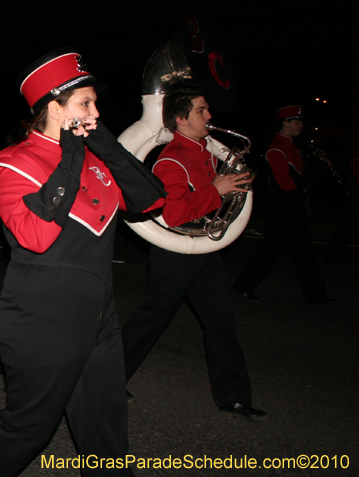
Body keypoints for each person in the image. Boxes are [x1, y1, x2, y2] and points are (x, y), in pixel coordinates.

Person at [0, 49, 166, 477]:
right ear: (55, 109)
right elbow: (35, 235)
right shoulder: (11, 164)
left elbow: (152, 200)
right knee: (29, 429)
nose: (96, 111)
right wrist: (71, 156)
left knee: (105, 433)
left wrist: (105, 144)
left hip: (99, 317)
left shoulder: (94, 158)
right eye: (85, 103)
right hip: (42, 319)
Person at [120, 80, 266, 422]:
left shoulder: (203, 152)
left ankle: (234, 398)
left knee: (221, 324)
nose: (209, 115)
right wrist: (217, 190)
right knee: (149, 322)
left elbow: (206, 201)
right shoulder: (171, 160)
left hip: (203, 251)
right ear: (180, 120)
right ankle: (105, 381)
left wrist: (232, 189)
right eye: (201, 110)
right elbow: (173, 214)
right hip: (175, 255)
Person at [233, 106, 333, 304]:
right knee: (277, 251)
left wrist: (317, 168)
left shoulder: (291, 146)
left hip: (290, 205)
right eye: (297, 121)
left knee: (297, 252)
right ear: (285, 123)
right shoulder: (277, 149)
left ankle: (316, 297)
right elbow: (288, 185)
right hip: (283, 206)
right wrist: (317, 171)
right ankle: (244, 285)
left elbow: (300, 179)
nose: (301, 125)